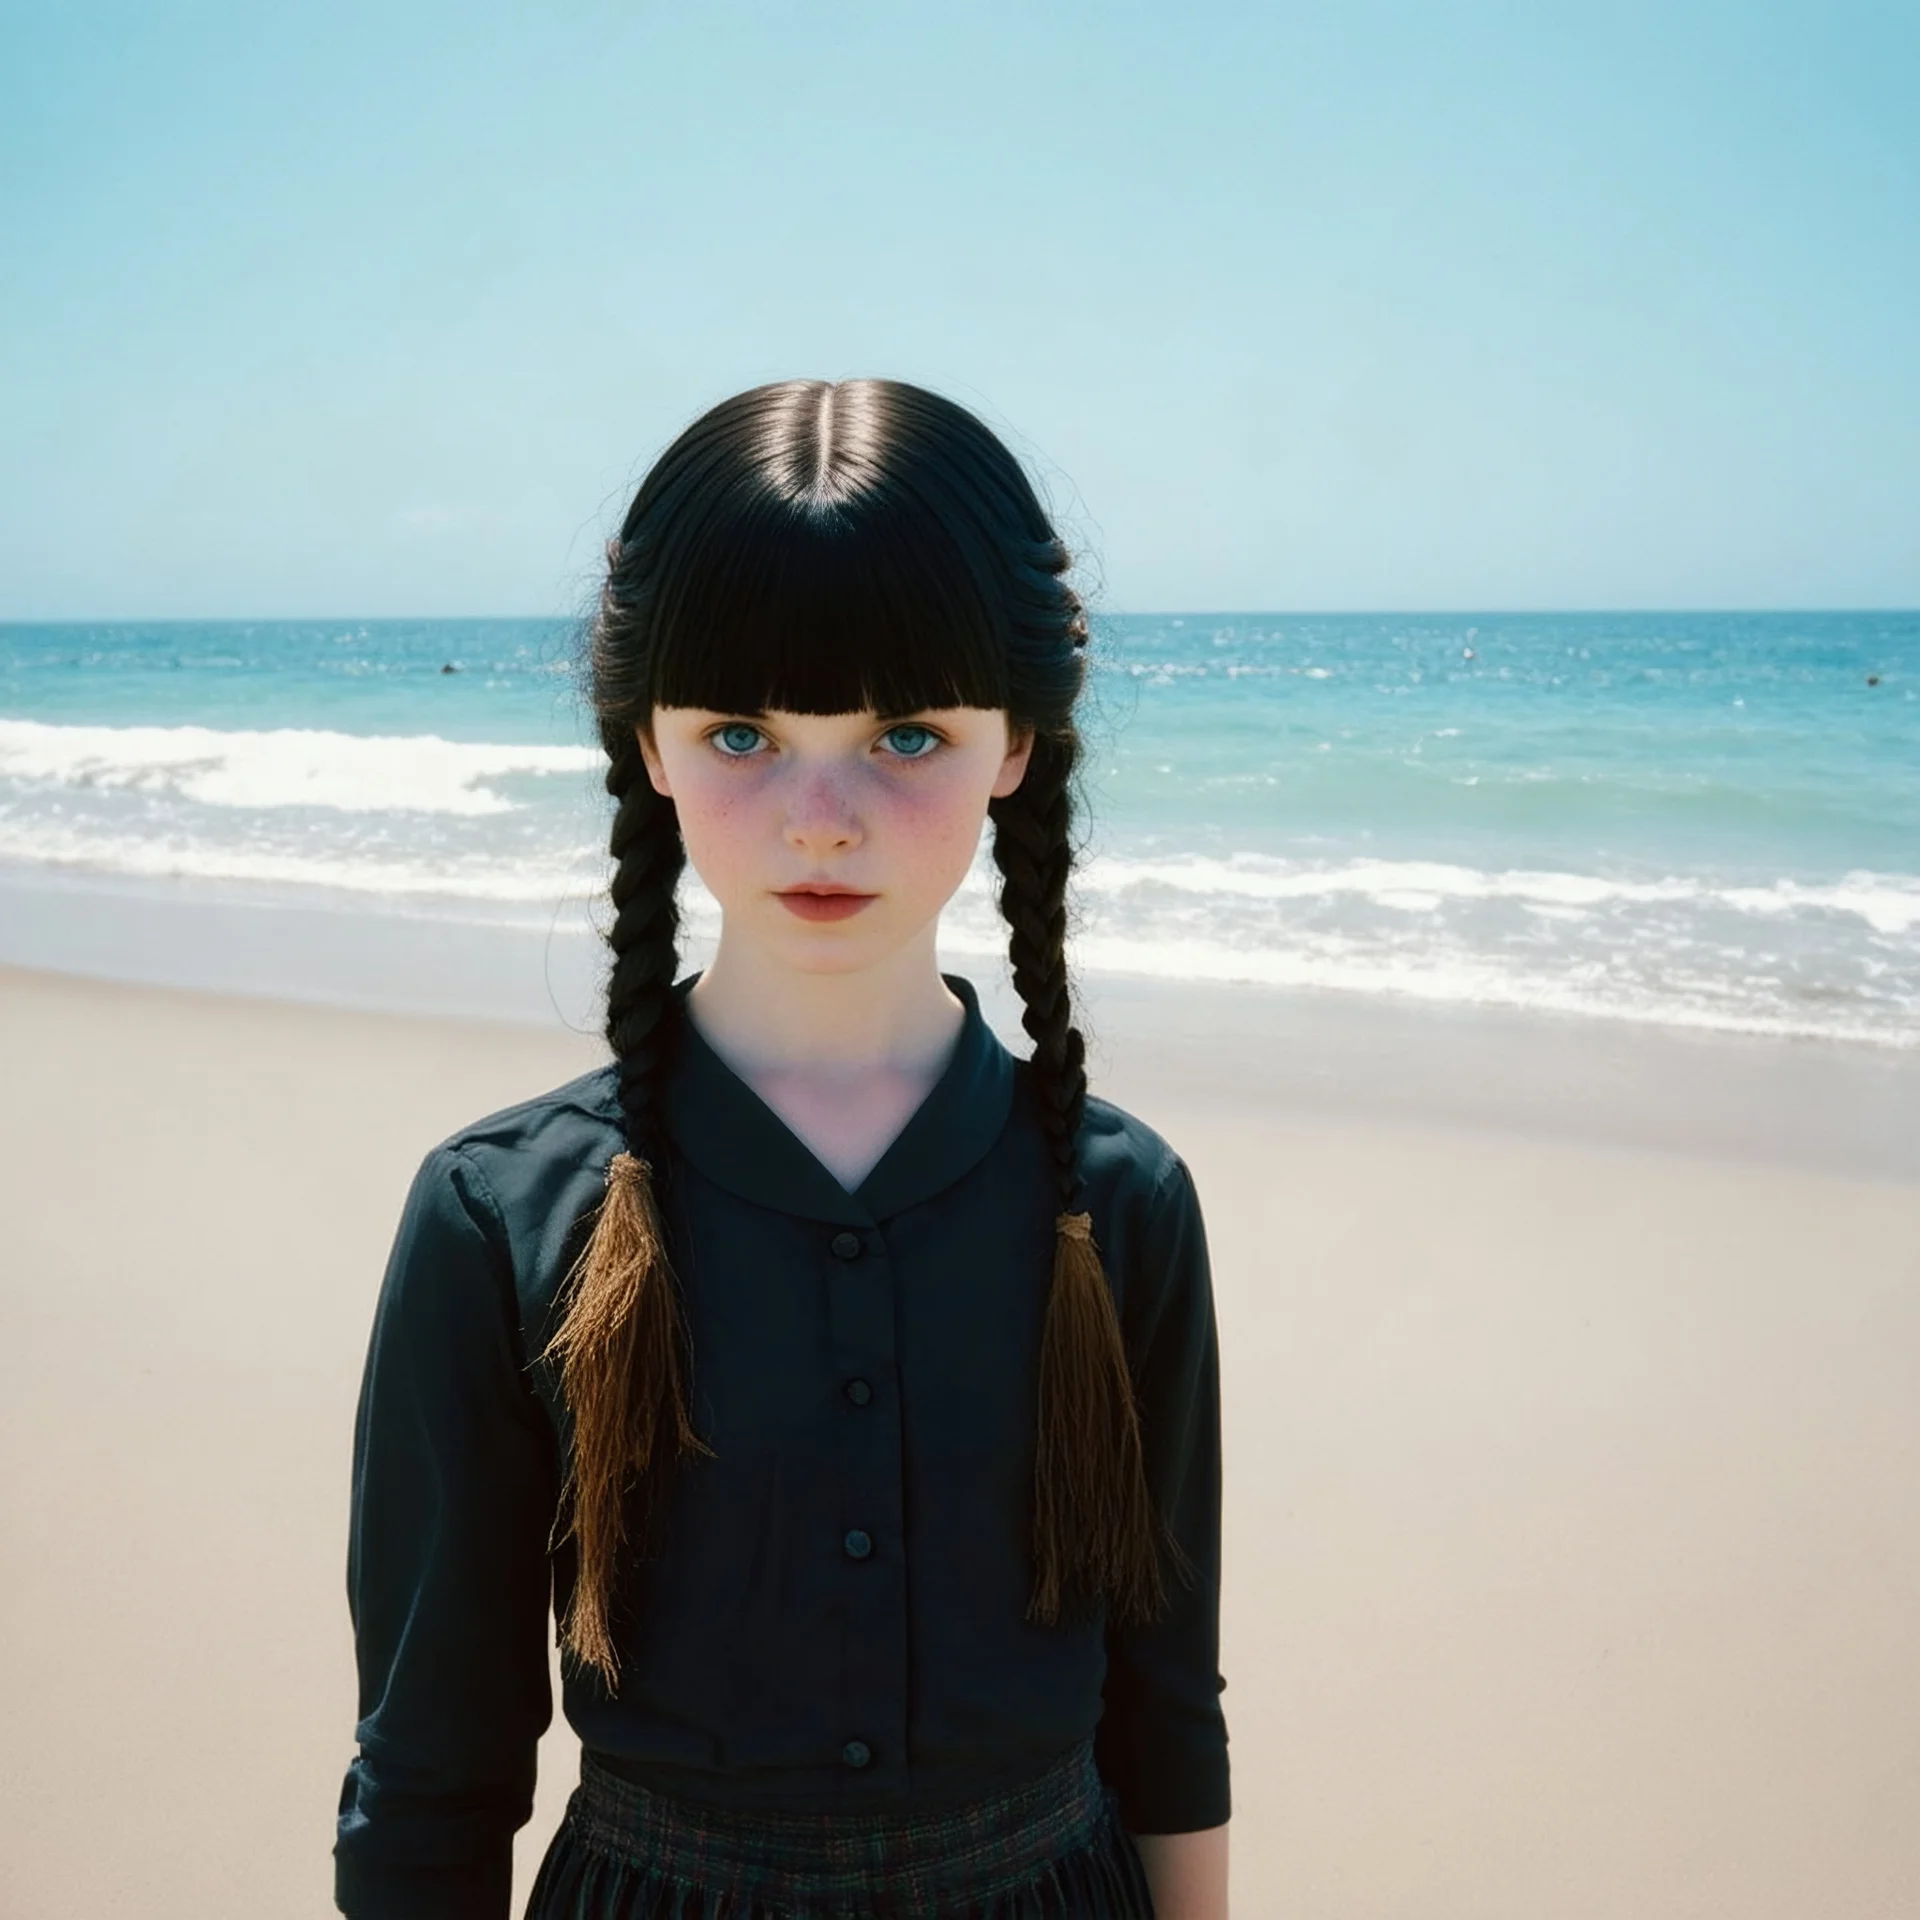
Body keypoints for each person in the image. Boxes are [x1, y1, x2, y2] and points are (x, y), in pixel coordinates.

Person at [333, 379, 1230, 1919]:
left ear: (1018, 743)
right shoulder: (498, 1216)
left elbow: (1166, 1706)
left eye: (905, 733)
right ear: (651, 744)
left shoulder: (1118, 1204)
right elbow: (433, 1765)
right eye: (745, 731)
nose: (824, 817)